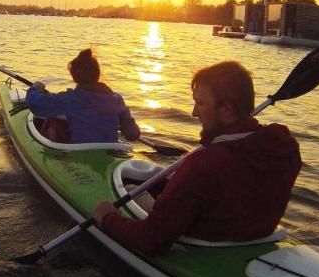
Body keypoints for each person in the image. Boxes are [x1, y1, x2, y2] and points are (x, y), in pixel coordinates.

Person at [93, 60, 301, 256]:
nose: (194, 113)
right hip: (256, 235)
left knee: (130, 190)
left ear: (226, 109)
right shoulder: (284, 147)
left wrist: (108, 218)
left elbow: (151, 240)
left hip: (205, 245)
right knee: (158, 186)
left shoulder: (202, 165)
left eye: (200, 104)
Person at [26, 48, 142, 145]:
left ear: (74, 77)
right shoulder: (117, 100)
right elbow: (133, 134)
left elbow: (35, 104)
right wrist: (124, 123)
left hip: (80, 153)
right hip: (110, 153)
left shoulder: (71, 99)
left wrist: (36, 87)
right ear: (97, 74)